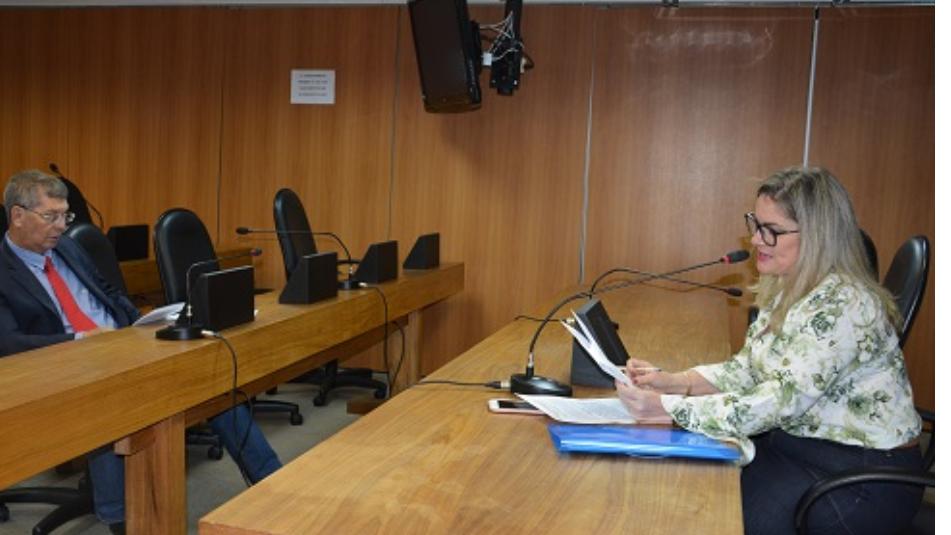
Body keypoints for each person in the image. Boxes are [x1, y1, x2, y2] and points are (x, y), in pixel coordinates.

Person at [615, 167, 923, 535]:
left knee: (716, 512)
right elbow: (749, 369)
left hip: (862, 479)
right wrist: (676, 382)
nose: (756, 240)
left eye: (771, 230)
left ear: (818, 237)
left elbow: (780, 400)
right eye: (756, 225)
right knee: (694, 485)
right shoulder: (787, 285)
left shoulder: (843, 303)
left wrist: (670, 409)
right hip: (802, 445)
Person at [0, 170, 282, 534]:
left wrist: (142, 323)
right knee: (110, 399)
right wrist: (83, 341)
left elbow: (108, 292)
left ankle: (271, 482)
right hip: (64, 366)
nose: (61, 226)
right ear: (17, 215)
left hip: (123, 343)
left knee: (209, 376)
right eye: (50, 216)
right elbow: (10, 343)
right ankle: (122, 520)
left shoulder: (67, 248)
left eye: (65, 215)